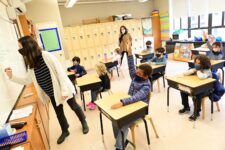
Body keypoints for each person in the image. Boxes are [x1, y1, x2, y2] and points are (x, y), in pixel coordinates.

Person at [4, 36, 89, 145]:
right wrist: (12, 77)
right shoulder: (31, 64)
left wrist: (63, 92)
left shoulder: (46, 56)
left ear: (28, 47)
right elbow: (27, 80)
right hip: (52, 93)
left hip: (63, 89)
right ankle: (65, 130)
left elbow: (60, 74)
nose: (19, 50)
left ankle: (83, 122)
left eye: (20, 47)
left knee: (74, 106)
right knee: (59, 113)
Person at [111, 42, 152, 150]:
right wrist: (129, 53)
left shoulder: (146, 86)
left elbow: (136, 98)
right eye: (137, 72)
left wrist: (122, 102)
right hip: (129, 106)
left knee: (123, 124)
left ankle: (119, 148)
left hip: (139, 110)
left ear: (146, 76)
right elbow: (131, 67)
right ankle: (121, 141)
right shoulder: (136, 77)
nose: (136, 74)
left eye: (139, 73)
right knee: (115, 119)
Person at [178, 55, 212, 121]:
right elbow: (185, 73)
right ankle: (186, 107)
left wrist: (198, 71)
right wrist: (193, 70)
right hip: (196, 87)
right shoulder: (195, 68)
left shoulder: (207, 70)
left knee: (197, 94)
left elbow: (202, 77)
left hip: (206, 89)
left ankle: (197, 112)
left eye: (199, 63)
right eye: (196, 62)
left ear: (204, 63)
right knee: (183, 90)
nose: (197, 64)